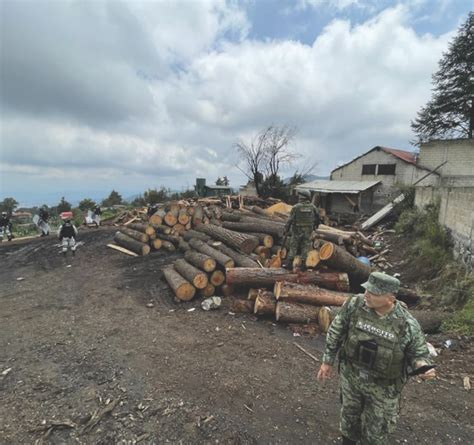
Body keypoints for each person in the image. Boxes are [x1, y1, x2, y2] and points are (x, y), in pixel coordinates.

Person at [317, 272, 436, 445]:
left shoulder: (406, 324)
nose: (367, 294)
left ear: (390, 298)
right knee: (349, 420)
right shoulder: (355, 305)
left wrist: (424, 368)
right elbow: (337, 330)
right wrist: (327, 361)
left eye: (373, 292)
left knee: (376, 431)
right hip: (352, 377)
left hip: (383, 388)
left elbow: (418, 354)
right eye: (367, 290)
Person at [283, 190, 320, 269]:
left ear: (301, 197)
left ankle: (289, 264)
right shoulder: (313, 207)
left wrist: (286, 229)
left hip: (297, 230)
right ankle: (303, 265)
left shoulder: (296, 207)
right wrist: (315, 226)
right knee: (305, 246)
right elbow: (318, 218)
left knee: (294, 246)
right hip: (308, 230)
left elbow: (290, 220)